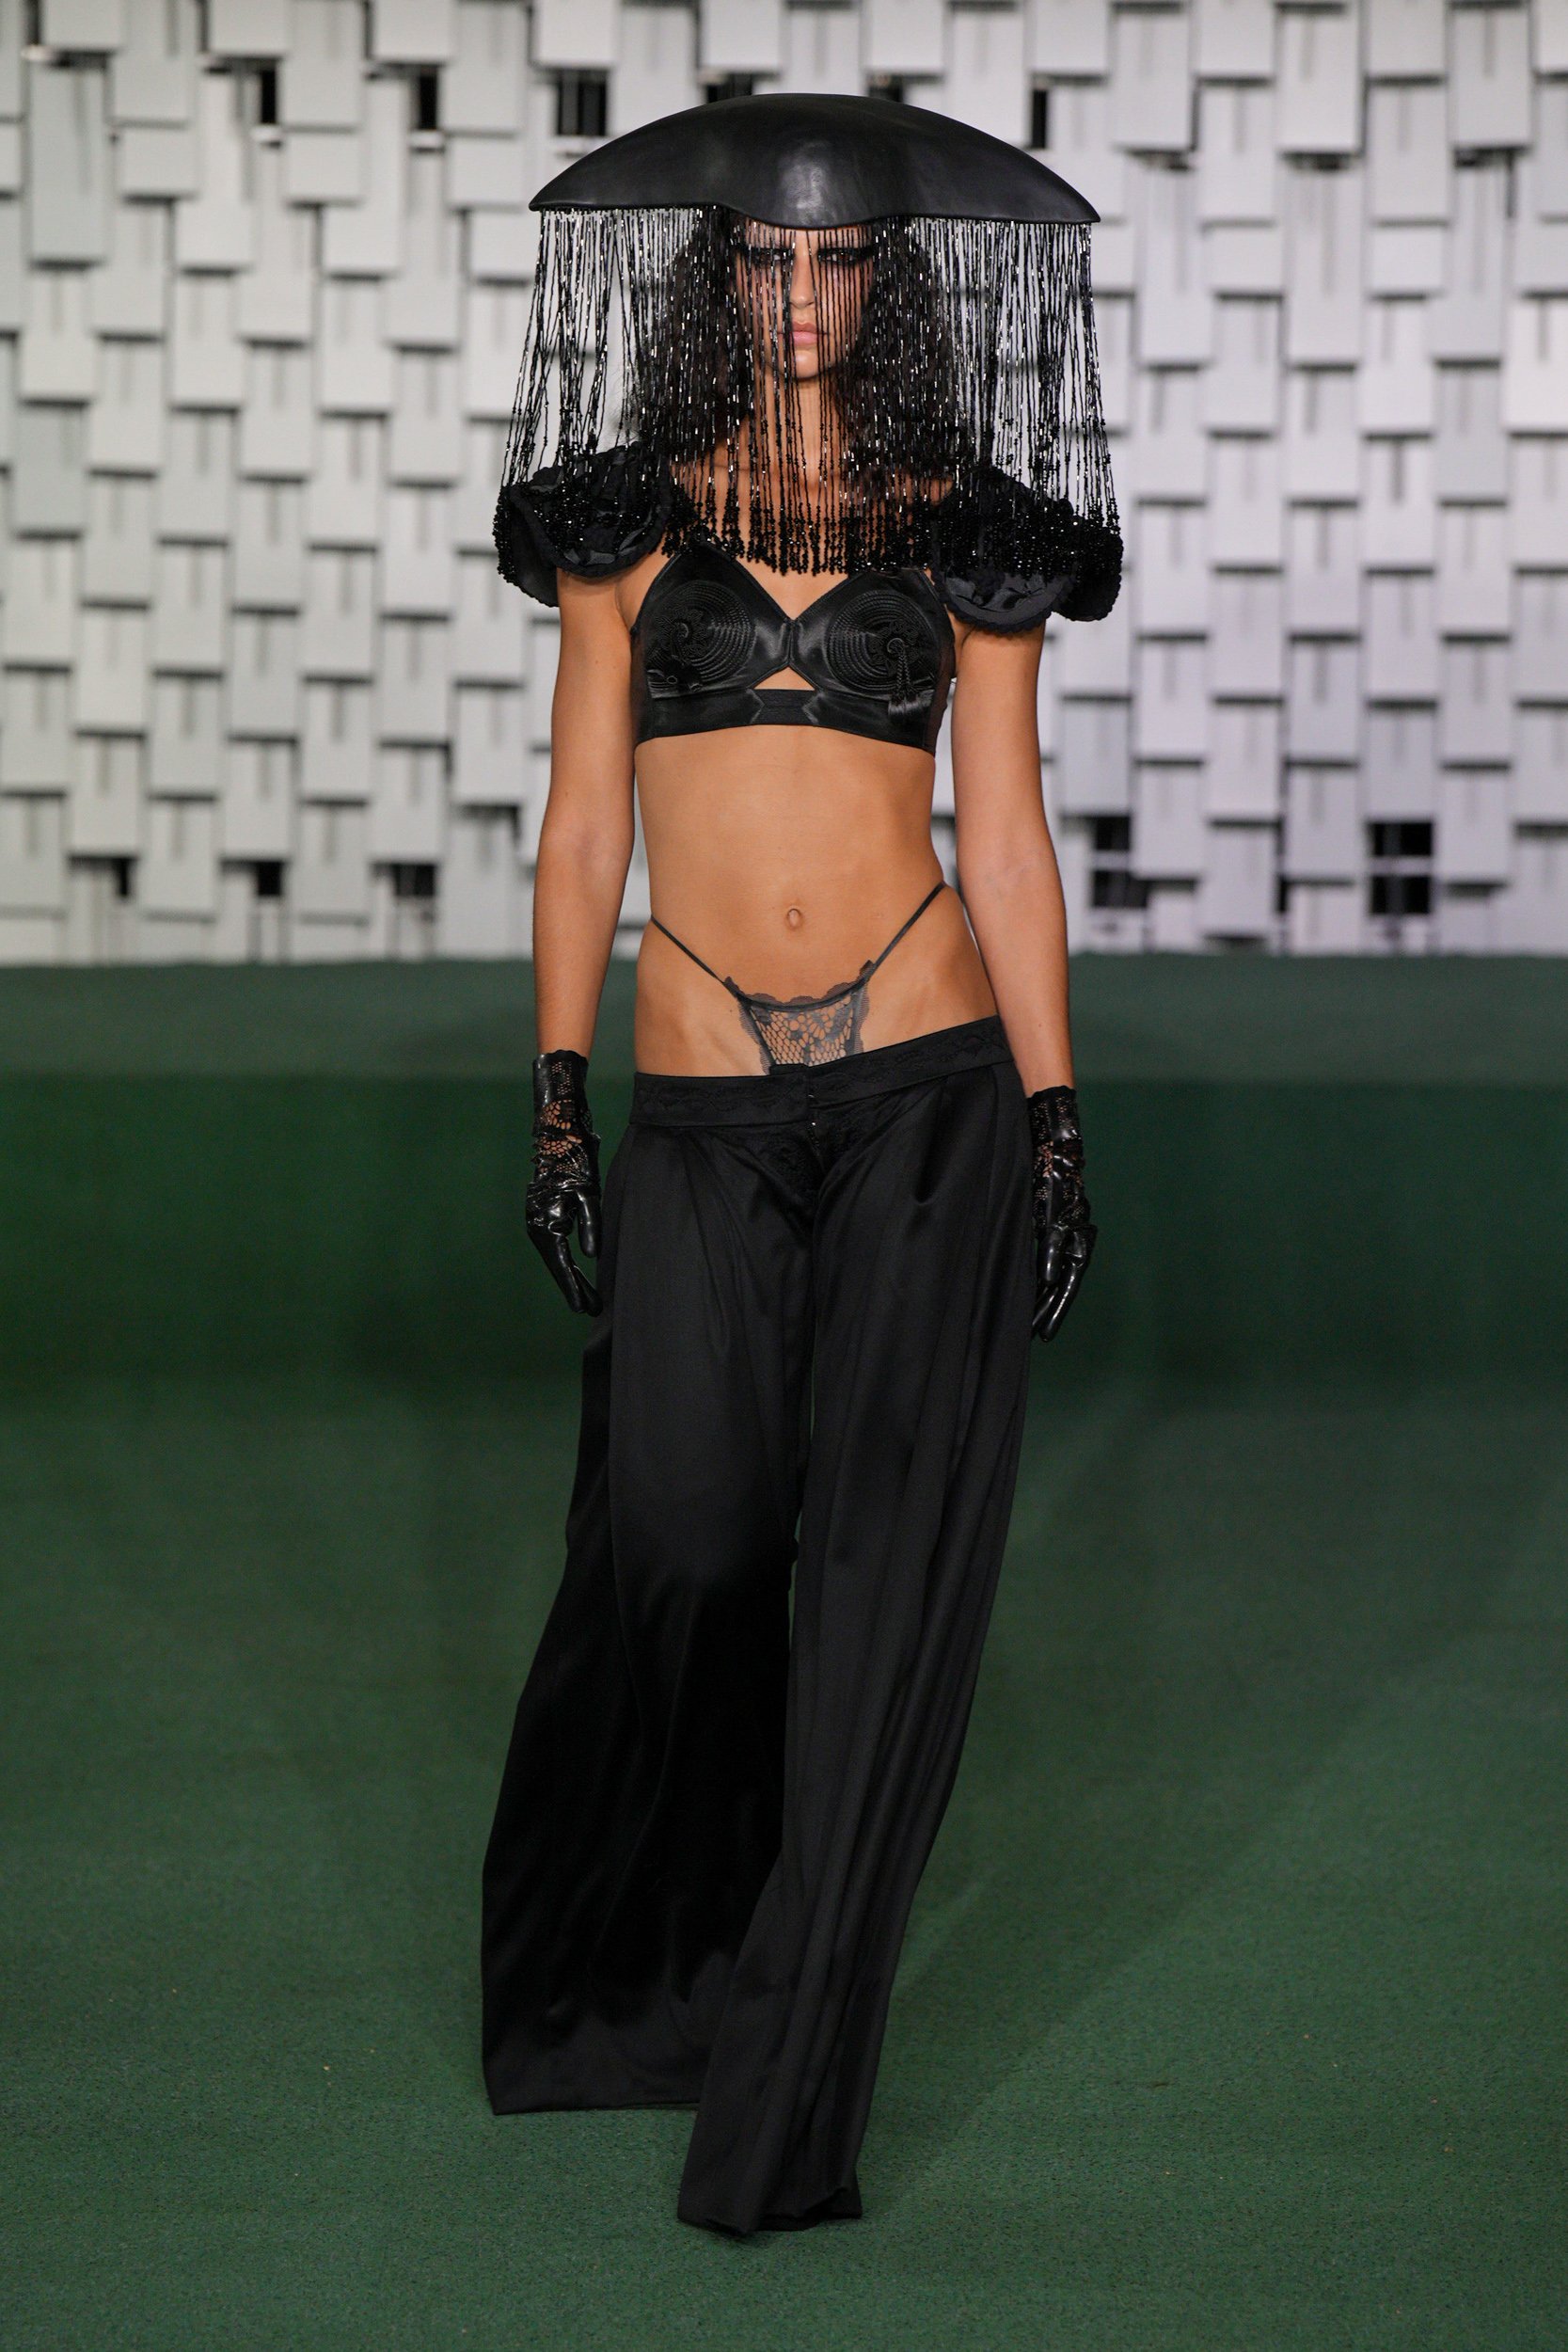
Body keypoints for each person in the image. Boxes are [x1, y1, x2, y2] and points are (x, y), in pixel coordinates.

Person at [480, 91, 1122, 2236]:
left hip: (930, 1084)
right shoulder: (620, 523)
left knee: (877, 1583)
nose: (801, 293)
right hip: (703, 1100)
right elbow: (587, 821)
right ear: (717, 277)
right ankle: (660, 1956)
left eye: (839, 258)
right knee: (685, 1530)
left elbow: (1003, 837)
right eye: (766, 257)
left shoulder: (968, 529)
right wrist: (557, 1091)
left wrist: (1054, 1116)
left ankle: (783, 2090)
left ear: (886, 282)